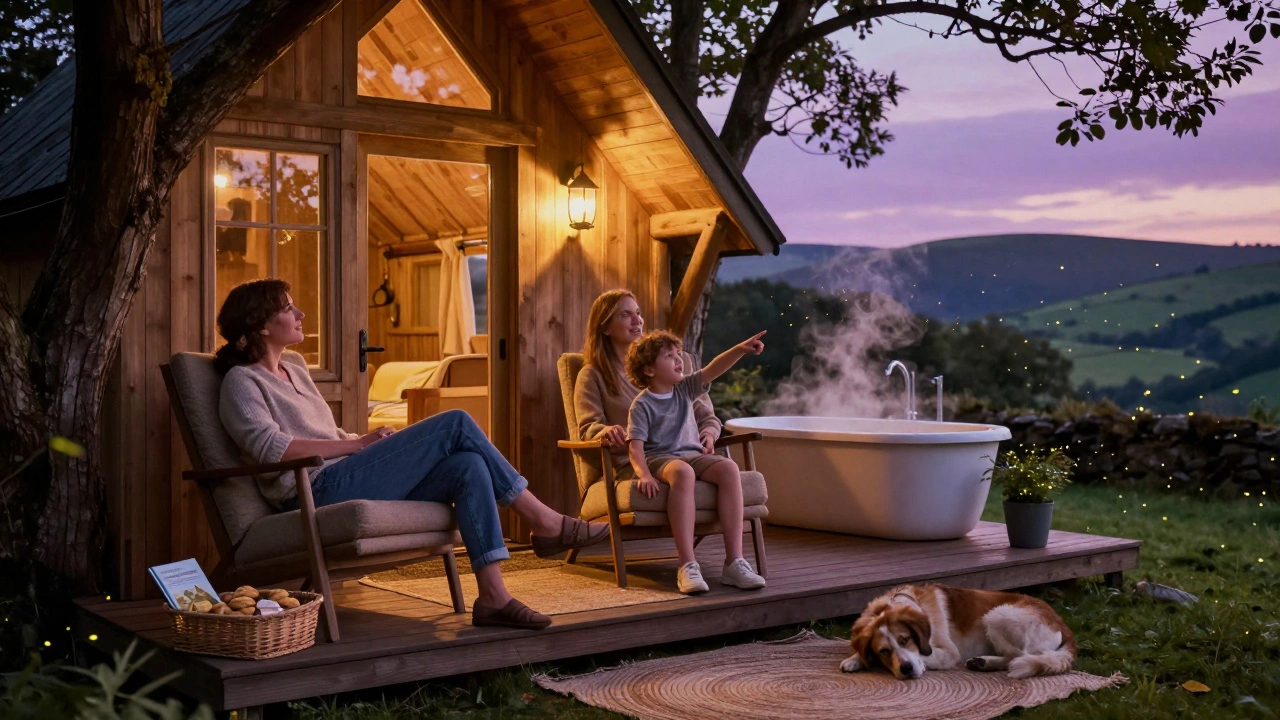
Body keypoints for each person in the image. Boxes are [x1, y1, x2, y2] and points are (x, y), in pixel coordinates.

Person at [214, 279, 609, 630]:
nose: (300, 313)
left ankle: (493, 597)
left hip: (345, 473)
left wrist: (371, 440)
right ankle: (545, 521)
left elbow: (328, 434)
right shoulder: (241, 382)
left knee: (468, 465)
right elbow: (271, 447)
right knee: (455, 422)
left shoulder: (295, 370)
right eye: (288, 308)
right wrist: (357, 445)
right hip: (312, 488)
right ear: (261, 325)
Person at [625, 329, 768, 594]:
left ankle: (734, 562)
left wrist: (740, 348)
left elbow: (714, 368)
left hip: (693, 454)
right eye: (669, 356)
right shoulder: (641, 405)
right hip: (662, 458)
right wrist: (643, 474)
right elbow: (635, 447)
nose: (678, 360)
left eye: (678, 354)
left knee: (728, 468)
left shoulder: (685, 389)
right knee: (683, 473)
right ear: (649, 370)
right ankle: (687, 564)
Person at [574, 290, 721, 481]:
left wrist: (709, 433)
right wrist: (605, 432)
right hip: (637, 463)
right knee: (682, 473)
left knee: (724, 471)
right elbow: (588, 430)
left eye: (638, 313)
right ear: (605, 328)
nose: (638, 321)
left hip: (688, 456)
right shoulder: (592, 375)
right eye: (625, 315)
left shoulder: (674, 365)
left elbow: (706, 415)